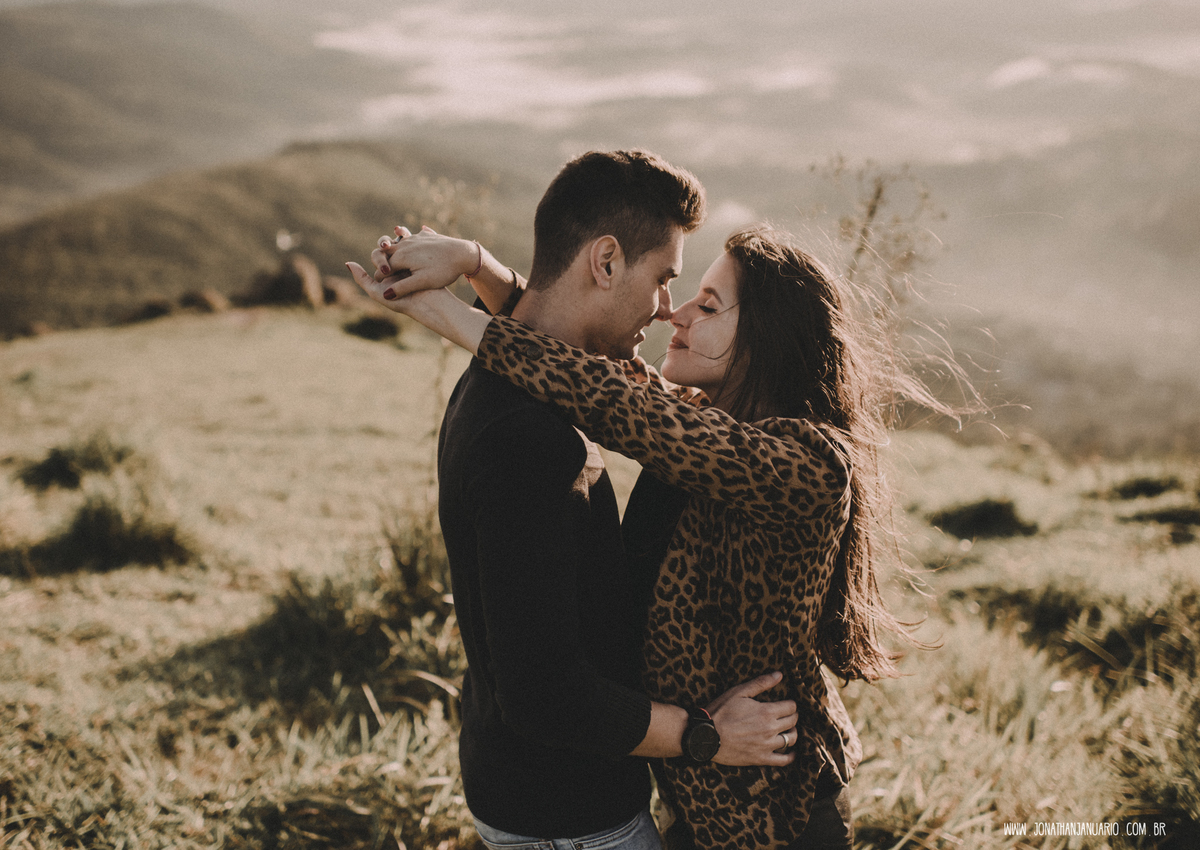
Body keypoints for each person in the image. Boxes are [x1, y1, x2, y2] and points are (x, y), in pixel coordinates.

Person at [353, 207, 944, 849]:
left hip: (777, 815)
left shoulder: (807, 466)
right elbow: (597, 368)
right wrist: (477, 265)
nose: (675, 314)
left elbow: (611, 401)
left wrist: (442, 312)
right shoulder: (710, 426)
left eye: (708, 306)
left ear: (767, 339)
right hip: (704, 804)